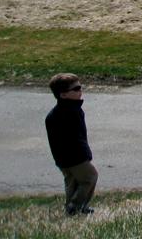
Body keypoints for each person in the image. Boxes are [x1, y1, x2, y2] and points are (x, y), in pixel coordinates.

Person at [45, 73, 97, 215]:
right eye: (76, 89)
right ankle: (75, 207)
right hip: (75, 157)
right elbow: (75, 139)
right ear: (63, 95)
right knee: (90, 177)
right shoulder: (68, 113)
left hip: (63, 159)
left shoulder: (62, 112)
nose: (80, 91)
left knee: (72, 182)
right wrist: (85, 155)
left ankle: (73, 207)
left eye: (80, 87)